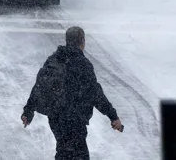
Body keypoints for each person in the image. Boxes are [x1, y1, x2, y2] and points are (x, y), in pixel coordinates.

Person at [21, 26, 124, 160]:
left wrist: (28, 111)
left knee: (64, 151)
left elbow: (40, 86)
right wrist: (113, 116)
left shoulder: (54, 59)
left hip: (56, 118)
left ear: (67, 40)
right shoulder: (82, 64)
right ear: (82, 41)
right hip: (74, 119)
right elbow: (95, 93)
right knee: (76, 155)